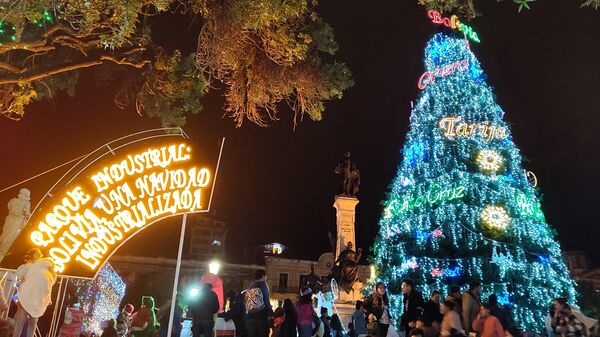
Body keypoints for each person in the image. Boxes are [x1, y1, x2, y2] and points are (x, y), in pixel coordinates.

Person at [13, 248, 57, 337]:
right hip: (27, 295)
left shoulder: (45, 269)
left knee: (33, 322)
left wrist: (48, 298)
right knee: (21, 319)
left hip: (38, 298)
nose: (40, 255)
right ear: (32, 255)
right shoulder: (28, 266)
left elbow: (47, 285)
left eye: (40, 254)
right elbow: (20, 275)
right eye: (37, 253)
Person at [246, 270, 273, 337]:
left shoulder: (251, 286)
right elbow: (266, 299)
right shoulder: (263, 285)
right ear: (263, 276)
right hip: (261, 316)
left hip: (251, 316)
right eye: (266, 276)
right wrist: (271, 313)